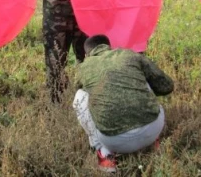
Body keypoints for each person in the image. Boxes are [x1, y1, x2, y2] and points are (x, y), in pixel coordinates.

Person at [73, 35, 174, 173]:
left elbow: (77, 86)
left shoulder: (83, 67)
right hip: (153, 128)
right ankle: (153, 141)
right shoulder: (129, 54)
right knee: (142, 79)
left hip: (113, 141)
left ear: (86, 54)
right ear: (110, 46)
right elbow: (167, 86)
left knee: (80, 96)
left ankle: (104, 154)